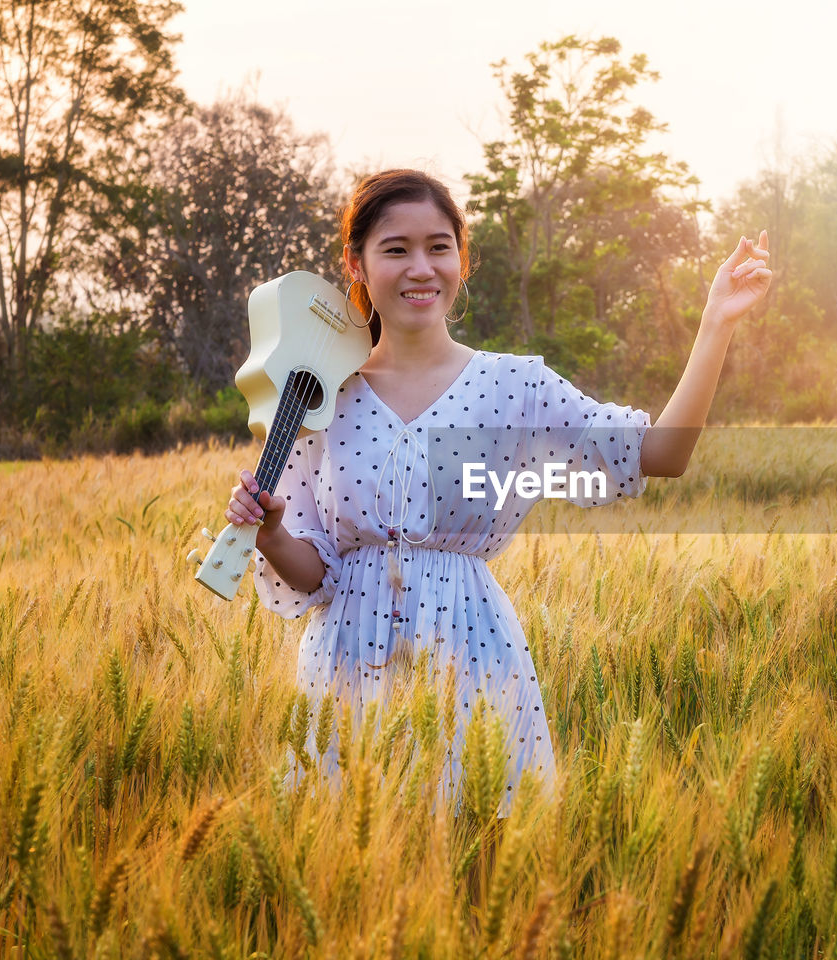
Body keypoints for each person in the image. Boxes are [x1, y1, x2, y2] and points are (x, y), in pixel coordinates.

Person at [224, 169, 771, 821]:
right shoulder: (321, 394)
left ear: (463, 258)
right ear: (357, 263)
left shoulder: (515, 388)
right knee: (353, 869)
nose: (420, 267)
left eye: (438, 246)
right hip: (347, 660)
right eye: (395, 249)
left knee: (477, 861)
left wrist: (715, 325)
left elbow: (662, 453)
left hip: (471, 652)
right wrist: (274, 535)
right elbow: (317, 573)